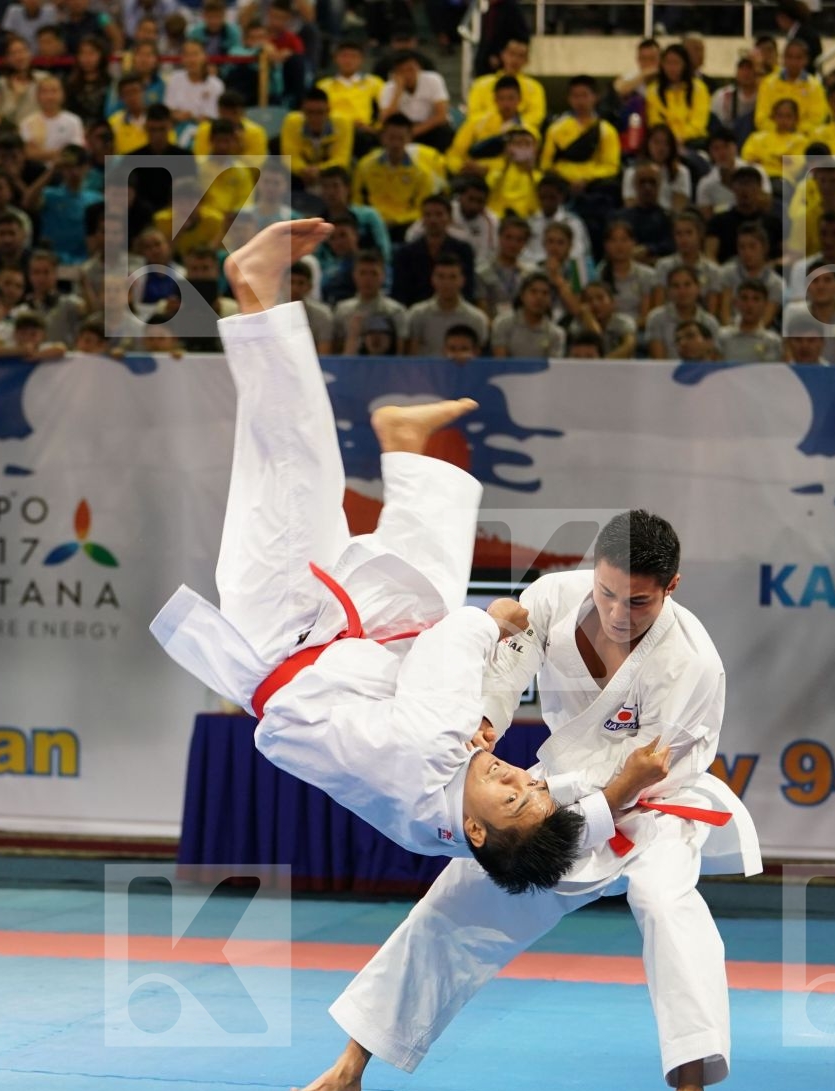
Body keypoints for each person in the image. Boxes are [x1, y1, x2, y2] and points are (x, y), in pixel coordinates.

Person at [153, 218, 635, 875]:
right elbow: (558, 799)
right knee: (426, 593)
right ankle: (405, 447)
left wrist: (490, 625)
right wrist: (608, 789)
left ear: (475, 828)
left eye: (510, 795)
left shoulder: (434, 750)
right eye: (528, 783)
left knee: (298, 461)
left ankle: (253, 291)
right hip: (342, 648)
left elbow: (451, 651)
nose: (517, 777)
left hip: (282, 625)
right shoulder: (437, 828)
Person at [277, 508, 761, 1091]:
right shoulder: (556, 597)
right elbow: (508, 667)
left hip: (652, 807)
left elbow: (639, 776)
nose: (619, 613)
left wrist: (598, 798)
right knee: (453, 902)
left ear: (671, 587)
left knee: (664, 904)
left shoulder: (693, 666)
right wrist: (485, 718)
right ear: (595, 572)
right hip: (556, 789)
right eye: (608, 593)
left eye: (639, 601)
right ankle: (350, 1069)